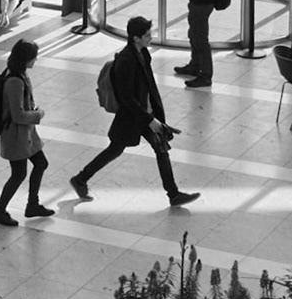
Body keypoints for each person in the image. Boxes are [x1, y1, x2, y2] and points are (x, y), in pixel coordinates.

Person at [71, 16, 201, 208]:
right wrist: (150, 120)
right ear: (135, 38)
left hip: (143, 114)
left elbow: (149, 86)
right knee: (115, 149)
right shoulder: (126, 61)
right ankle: (80, 179)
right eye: (147, 35)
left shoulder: (143, 54)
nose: (151, 37)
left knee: (160, 148)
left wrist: (156, 116)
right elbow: (127, 98)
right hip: (132, 116)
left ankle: (173, 194)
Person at [0, 40, 52, 226]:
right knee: (19, 174)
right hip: (16, 136)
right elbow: (18, 115)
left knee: (41, 164)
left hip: (26, 135)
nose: (36, 60)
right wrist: (38, 114)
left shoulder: (18, 74)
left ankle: (32, 205)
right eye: (34, 57)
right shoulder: (15, 81)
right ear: (26, 59)